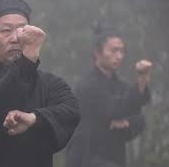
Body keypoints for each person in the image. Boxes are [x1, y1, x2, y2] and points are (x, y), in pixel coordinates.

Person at [0, 0, 80, 167]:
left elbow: (71, 112)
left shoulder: (51, 84)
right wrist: (28, 58)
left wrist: (35, 118)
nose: (15, 39)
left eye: (22, 31)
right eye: (6, 31)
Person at [66, 31, 153, 167]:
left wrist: (127, 124)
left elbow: (139, 119)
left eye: (121, 51)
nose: (119, 56)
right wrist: (141, 80)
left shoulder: (121, 85)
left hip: (114, 158)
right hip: (86, 158)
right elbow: (116, 108)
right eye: (113, 50)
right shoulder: (87, 86)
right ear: (97, 52)